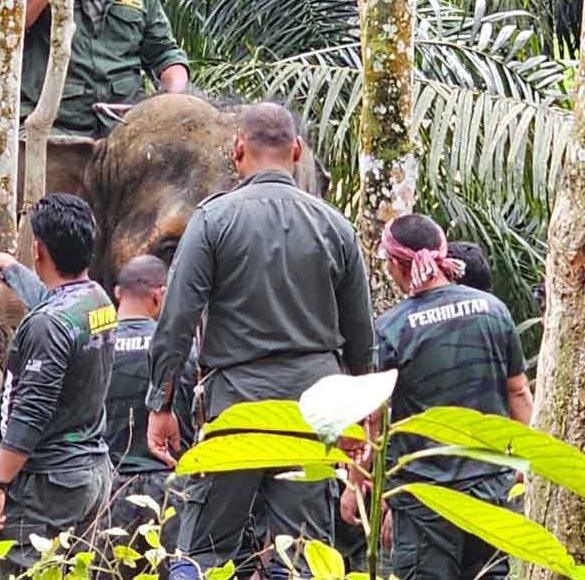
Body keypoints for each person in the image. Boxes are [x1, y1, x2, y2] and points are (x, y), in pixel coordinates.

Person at [145, 102, 376, 580]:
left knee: (205, 551)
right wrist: (360, 419)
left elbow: (177, 320)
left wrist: (161, 401)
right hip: (315, 405)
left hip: (237, 404)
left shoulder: (213, 222)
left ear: (237, 151)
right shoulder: (336, 226)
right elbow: (360, 338)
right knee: (304, 557)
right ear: (296, 151)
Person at [342, 214, 534, 580]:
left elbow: (375, 421)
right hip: (490, 491)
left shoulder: (391, 329)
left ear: (399, 265)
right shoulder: (494, 311)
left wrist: (354, 486)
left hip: (425, 505)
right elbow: (519, 392)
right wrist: (530, 466)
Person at [0, 193, 117, 577]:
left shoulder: (47, 327)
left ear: (39, 249)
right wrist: (14, 272)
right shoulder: (97, 302)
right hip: (89, 474)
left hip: (46, 488)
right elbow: (56, 307)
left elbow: (29, 415)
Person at [21, 0, 190, 138]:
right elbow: (7, 27)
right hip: (53, 126)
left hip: (123, 129)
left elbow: (165, 55)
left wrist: (175, 94)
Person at [104, 255, 198, 575]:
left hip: (109, 491)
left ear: (118, 293)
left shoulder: (94, 346)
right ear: (160, 296)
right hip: (171, 492)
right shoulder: (179, 350)